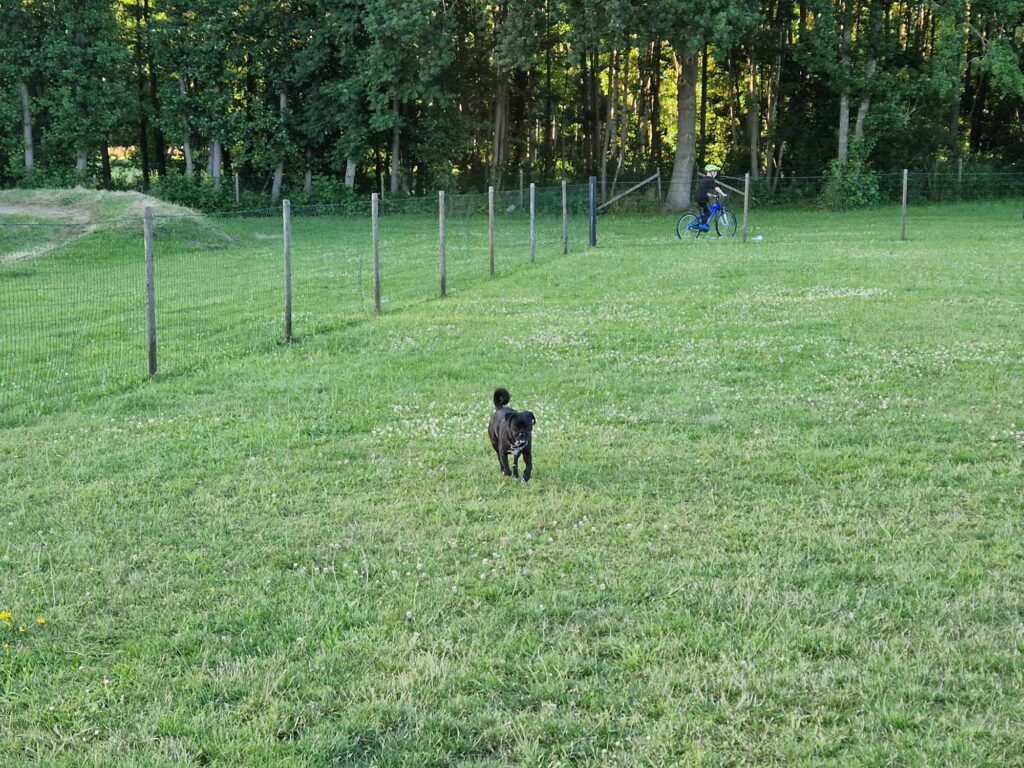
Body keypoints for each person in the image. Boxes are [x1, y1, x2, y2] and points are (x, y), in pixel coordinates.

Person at [695, 163, 727, 231]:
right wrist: (723, 193)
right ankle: (703, 225)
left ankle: (702, 224)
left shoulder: (705, 179)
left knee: (706, 211)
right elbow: (716, 187)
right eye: (714, 171)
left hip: (699, 197)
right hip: (702, 198)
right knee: (709, 212)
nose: (715, 173)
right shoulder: (710, 179)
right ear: (710, 172)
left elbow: (703, 190)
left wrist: (713, 195)